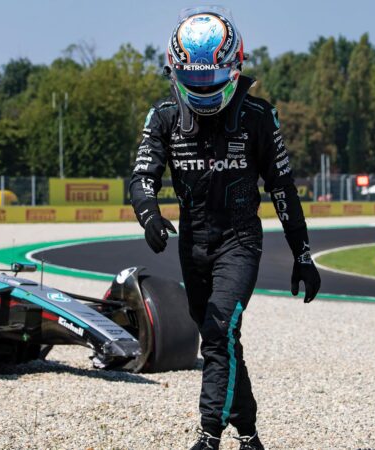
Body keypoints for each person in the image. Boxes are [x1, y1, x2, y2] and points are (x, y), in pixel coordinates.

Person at [129, 8, 321, 450]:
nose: (202, 90)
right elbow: (142, 178)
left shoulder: (258, 116)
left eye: (211, 79)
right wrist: (149, 214)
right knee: (220, 339)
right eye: (193, 81)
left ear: (236, 67)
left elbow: (283, 188)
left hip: (240, 238)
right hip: (192, 242)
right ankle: (250, 434)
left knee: (218, 329)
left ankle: (208, 435)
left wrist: (303, 253)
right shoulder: (162, 117)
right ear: (175, 71)